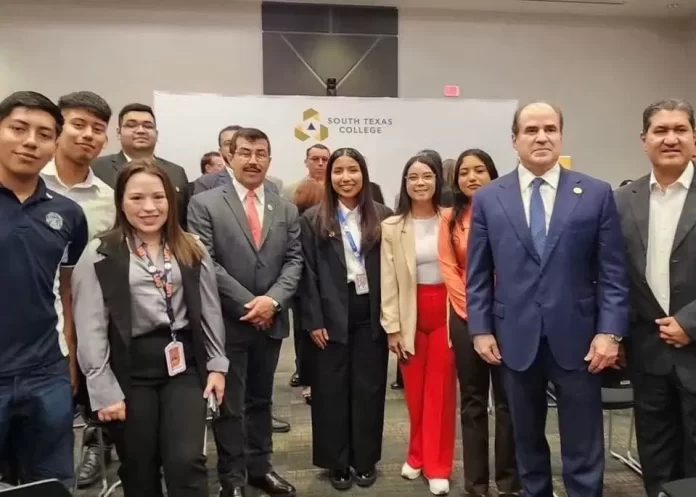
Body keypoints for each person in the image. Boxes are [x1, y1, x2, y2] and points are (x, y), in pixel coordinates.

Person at [466, 101, 630, 497]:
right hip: (514, 336)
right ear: (514, 140)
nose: (541, 137)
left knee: (583, 441)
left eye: (550, 129)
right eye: (531, 130)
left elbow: (613, 272)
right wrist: (480, 329)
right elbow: (478, 273)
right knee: (525, 439)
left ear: (560, 135)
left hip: (580, 339)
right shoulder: (489, 198)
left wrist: (610, 333)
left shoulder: (595, 193)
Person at [72, 159, 228, 497]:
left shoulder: (191, 246)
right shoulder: (100, 252)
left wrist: (217, 365)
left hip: (184, 366)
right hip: (129, 369)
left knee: (186, 462)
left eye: (158, 197)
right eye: (137, 198)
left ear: (170, 201)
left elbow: (209, 310)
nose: (149, 207)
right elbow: (90, 324)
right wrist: (102, 387)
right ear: (121, 202)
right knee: (139, 466)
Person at [187, 127, 302, 497]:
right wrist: (252, 303)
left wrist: (273, 301)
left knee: (261, 401)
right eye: (245, 153)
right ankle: (232, 478)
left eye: (261, 153)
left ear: (269, 159)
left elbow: (294, 261)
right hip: (227, 322)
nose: (253, 160)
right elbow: (205, 261)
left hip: (271, 321)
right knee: (230, 405)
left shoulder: (285, 207)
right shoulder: (204, 204)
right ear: (230, 157)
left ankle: (260, 468)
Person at [0, 91, 88, 487]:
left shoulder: (68, 214)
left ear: (55, 144)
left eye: (44, 134)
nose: (30, 142)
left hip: (46, 371)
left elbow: (65, 289)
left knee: (50, 484)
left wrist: (69, 357)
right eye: (18, 129)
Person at [615, 99, 696, 497]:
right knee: (657, 461)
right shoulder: (622, 200)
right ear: (643, 140)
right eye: (660, 131)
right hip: (647, 355)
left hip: (695, 349)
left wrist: (690, 323)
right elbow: (613, 275)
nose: (670, 138)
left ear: (695, 137)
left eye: (680, 129)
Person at [38, 90, 118, 489]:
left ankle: (93, 446)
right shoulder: (26, 181)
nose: (88, 135)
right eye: (78, 124)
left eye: (97, 129)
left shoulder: (109, 199)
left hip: (85, 319)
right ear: (58, 128)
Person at [300, 147, 392, 491]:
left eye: (353, 170)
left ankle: (365, 459)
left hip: (371, 310)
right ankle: (336, 462)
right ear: (329, 177)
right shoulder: (313, 219)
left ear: (363, 174)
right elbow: (306, 274)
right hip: (329, 312)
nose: (346, 177)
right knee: (330, 390)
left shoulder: (382, 215)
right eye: (338, 171)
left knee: (369, 388)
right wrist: (313, 320)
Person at [438, 149, 520, 497]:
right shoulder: (449, 217)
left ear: (492, 174)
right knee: (472, 402)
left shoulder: (510, 211)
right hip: (465, 317)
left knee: (508, 400)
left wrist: (496, 308)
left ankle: (509, 481)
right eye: (464, 172)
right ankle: (476, 484)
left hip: (507, 315)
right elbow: (448, 268)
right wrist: (474, 315)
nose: (471, 177)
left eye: (479, 170)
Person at [380, 154, 455, 495]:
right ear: (405, 183)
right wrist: (392, 327)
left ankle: (438, 465)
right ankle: (417, 455)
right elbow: (388, 280)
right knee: (414, 394)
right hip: (410, 314)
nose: (420, 182)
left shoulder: (451, 219)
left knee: (440, 393)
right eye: (413, 177)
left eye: (427, 176)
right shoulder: (392, 226)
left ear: (438, 181)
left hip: (446, 314)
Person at [91, 103, 190, 227]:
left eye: (148, 126)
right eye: (131, 125)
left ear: (156, 133)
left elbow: (183, 220)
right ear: (119, 132)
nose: (140, 131)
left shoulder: (176, 172)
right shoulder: (97, 168)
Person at [290, 177, 325, 403]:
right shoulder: (314, 223)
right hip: (315, 289)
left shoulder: (294, 221)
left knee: (303, 337)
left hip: (299, 290)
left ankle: (307, 382)